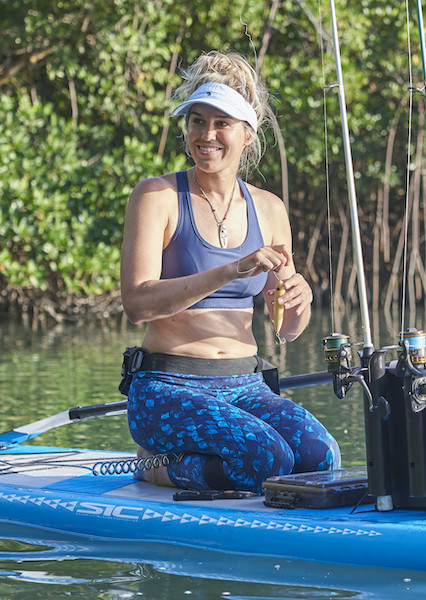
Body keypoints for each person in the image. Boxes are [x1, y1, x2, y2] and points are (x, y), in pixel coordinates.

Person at [119, 50, 340, 493]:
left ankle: (203, 461)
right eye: (197, 121)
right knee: (265, 456)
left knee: (321, 455)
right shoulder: (156, 196)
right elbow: (137, 305)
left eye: (222, 124)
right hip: (166, 387)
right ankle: (152, 465)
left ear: (247, 134)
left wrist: (302, 300)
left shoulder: (270, 208)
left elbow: (288, 329)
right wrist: (231, 270)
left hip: (246, 383)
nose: (207, 135)